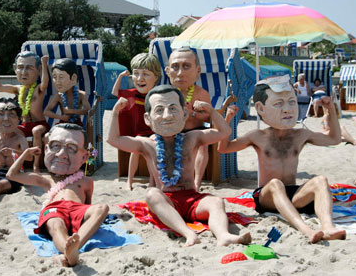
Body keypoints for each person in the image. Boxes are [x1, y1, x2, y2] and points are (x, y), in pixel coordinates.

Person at [107, 84, 251, 247]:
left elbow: (224, 133)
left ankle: (224, 235)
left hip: (193, 199)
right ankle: (188, 233)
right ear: (148, 119)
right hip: (166, 202)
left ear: (184, 114)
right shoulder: (146, 144)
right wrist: (115, 113)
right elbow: (114, 140)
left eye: (173, 108)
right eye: (159, 110)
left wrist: (211, 112)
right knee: (152, 194)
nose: (167, 116)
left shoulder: (192, 138)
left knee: (216, 201)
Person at [218, 75, 346, 243]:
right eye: (278, 104)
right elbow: (224, 148)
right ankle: (305, 229)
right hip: (266, 196)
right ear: (261, 108)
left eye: (291, 102)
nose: (287, 109)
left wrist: (330, 110)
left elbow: (334, 139)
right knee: (275, 183)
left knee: (320, 180)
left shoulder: (300, 135)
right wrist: (228, 119)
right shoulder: (257, 136)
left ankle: (328, 227)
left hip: (293, 194)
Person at [6, 123, 109, 267]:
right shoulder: (46, 179)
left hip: (77, 209)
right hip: (55, 209)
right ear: (46, 149)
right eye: (55, 146)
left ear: (84, 156)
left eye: (71, 148)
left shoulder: (86, 181)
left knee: (102, 208)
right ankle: (68, 249)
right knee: (56, 224)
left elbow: (88, 205)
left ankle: (73, 247)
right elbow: (12, 175)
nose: (61, 154)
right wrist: (25, 154)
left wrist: (89, 220)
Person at [0, 52, 50, 173]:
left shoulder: (38, 88)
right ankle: (9, 162)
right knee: (8, 131)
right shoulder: (18, 89)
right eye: (20, 68)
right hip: (24, 125)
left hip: (40, 124)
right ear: (15, 69)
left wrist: (44, 64)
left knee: (36, 131)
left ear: (38, 70)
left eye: (29, 68)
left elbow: (45, 83)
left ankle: (36, 164)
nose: (24, 72)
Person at [111, 53, 161, 190]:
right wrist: (121, 77)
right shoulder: (133, 93)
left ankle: (152, 181)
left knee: (152, 149)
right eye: (136, 73)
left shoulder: (158, 95)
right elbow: (115, 93)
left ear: (156, 77)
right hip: (138, 131)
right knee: (136, 149)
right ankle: (129, 181)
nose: (140, 78)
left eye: (145, 74)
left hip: (153, 131)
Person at [165, 47, 211, 191]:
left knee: (202, 144)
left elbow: (209, 118)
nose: (180, 73)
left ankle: (196, 183)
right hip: (173, 132)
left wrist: (194, 114)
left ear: (197, 72)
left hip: (196, 131)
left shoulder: (201, 94)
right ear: (167, 71)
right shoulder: (165, 94)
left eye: (186, 66)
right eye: (175, 67)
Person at [43, 58, 90, 127]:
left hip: (76, 124)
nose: (57, 82)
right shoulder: (58, 96)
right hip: (63, 123)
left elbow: (88, 110)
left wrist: (71, 111)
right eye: (54, 77)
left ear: (73, 78)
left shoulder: (81, 94)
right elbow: (46, 111)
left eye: (61, 77)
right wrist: (61, 117)